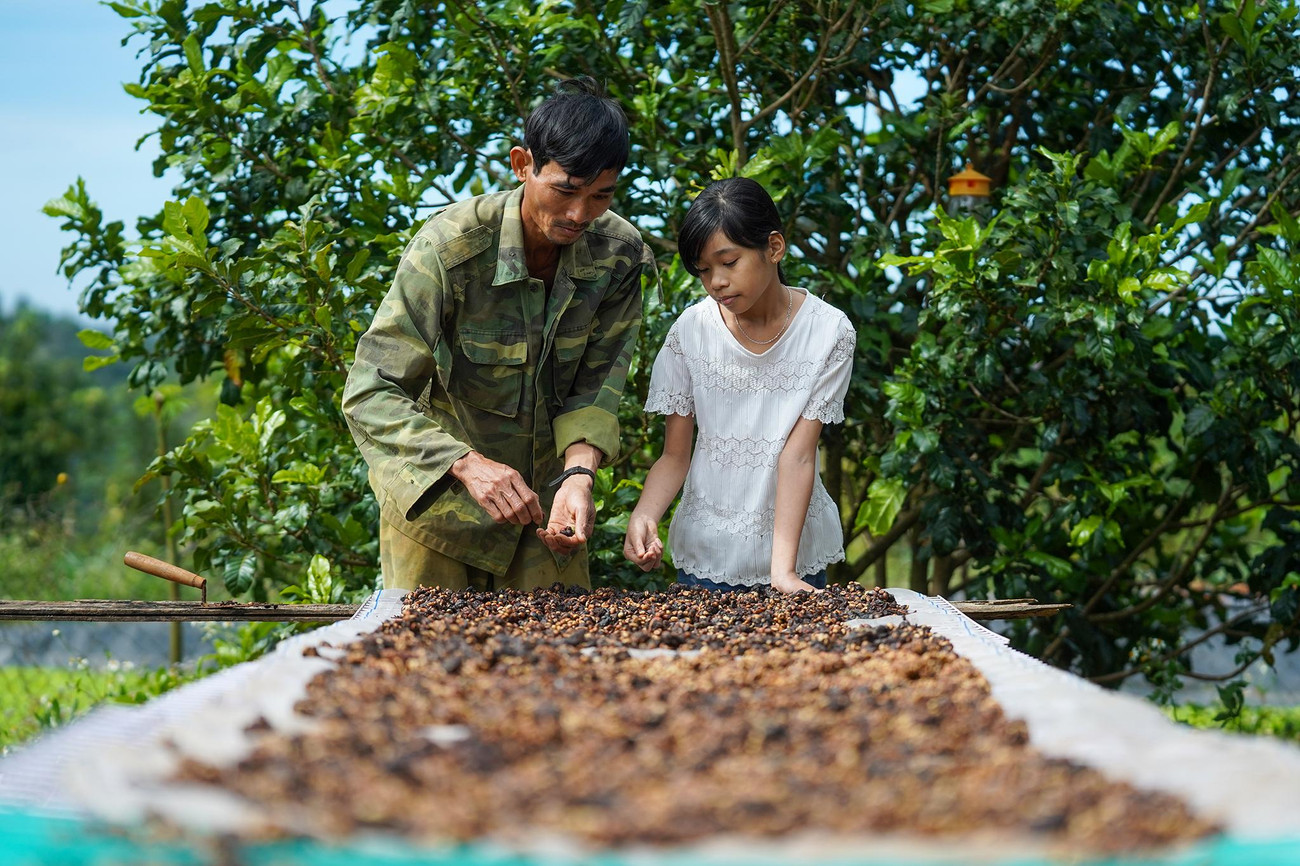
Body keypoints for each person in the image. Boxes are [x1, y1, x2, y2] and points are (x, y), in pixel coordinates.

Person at [342, 76, 654, 592]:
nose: (580, 215)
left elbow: (596, 389)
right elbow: (371, 391)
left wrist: (578, 479)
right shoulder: (450, 247)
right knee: (420, 668)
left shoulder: (617, 254)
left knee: (557, 664)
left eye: (601, 196)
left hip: (545, 519)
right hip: (437, 516)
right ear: (522, 164)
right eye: (566, 191)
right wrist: (466, 464)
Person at [622, 177, 855, 593]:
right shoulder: (691, 331)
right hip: (706, 553)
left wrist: (782, 573)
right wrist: (644, 515)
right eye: (704, 270)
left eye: (729, 263)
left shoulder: (829, 332)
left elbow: (798, 458)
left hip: (794, 556)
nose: (717, 282)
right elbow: (675, 455)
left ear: (774, 248)